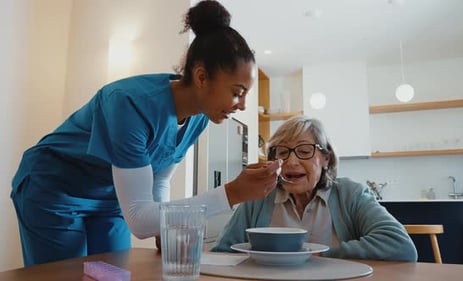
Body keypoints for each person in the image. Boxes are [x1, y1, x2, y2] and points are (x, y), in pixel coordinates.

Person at [11, 0, 280, 266]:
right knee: (65, 275)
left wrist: (164, 225)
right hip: (54, 188)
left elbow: (158, 178)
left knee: (114, 272)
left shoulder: (199, 118)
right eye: (237, 92)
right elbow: (139, 220)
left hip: (108, 198)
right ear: (201, 77)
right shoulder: (129, 103)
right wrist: (232, 193)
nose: (242, 105)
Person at [211, 115, 417, 262]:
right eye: (282, 152)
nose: (291, 161)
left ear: (325, 158)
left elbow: (399, 245)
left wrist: (321, 255)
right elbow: (222, 253)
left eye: (304, 151)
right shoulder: (260, 196)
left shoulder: (350, 194)